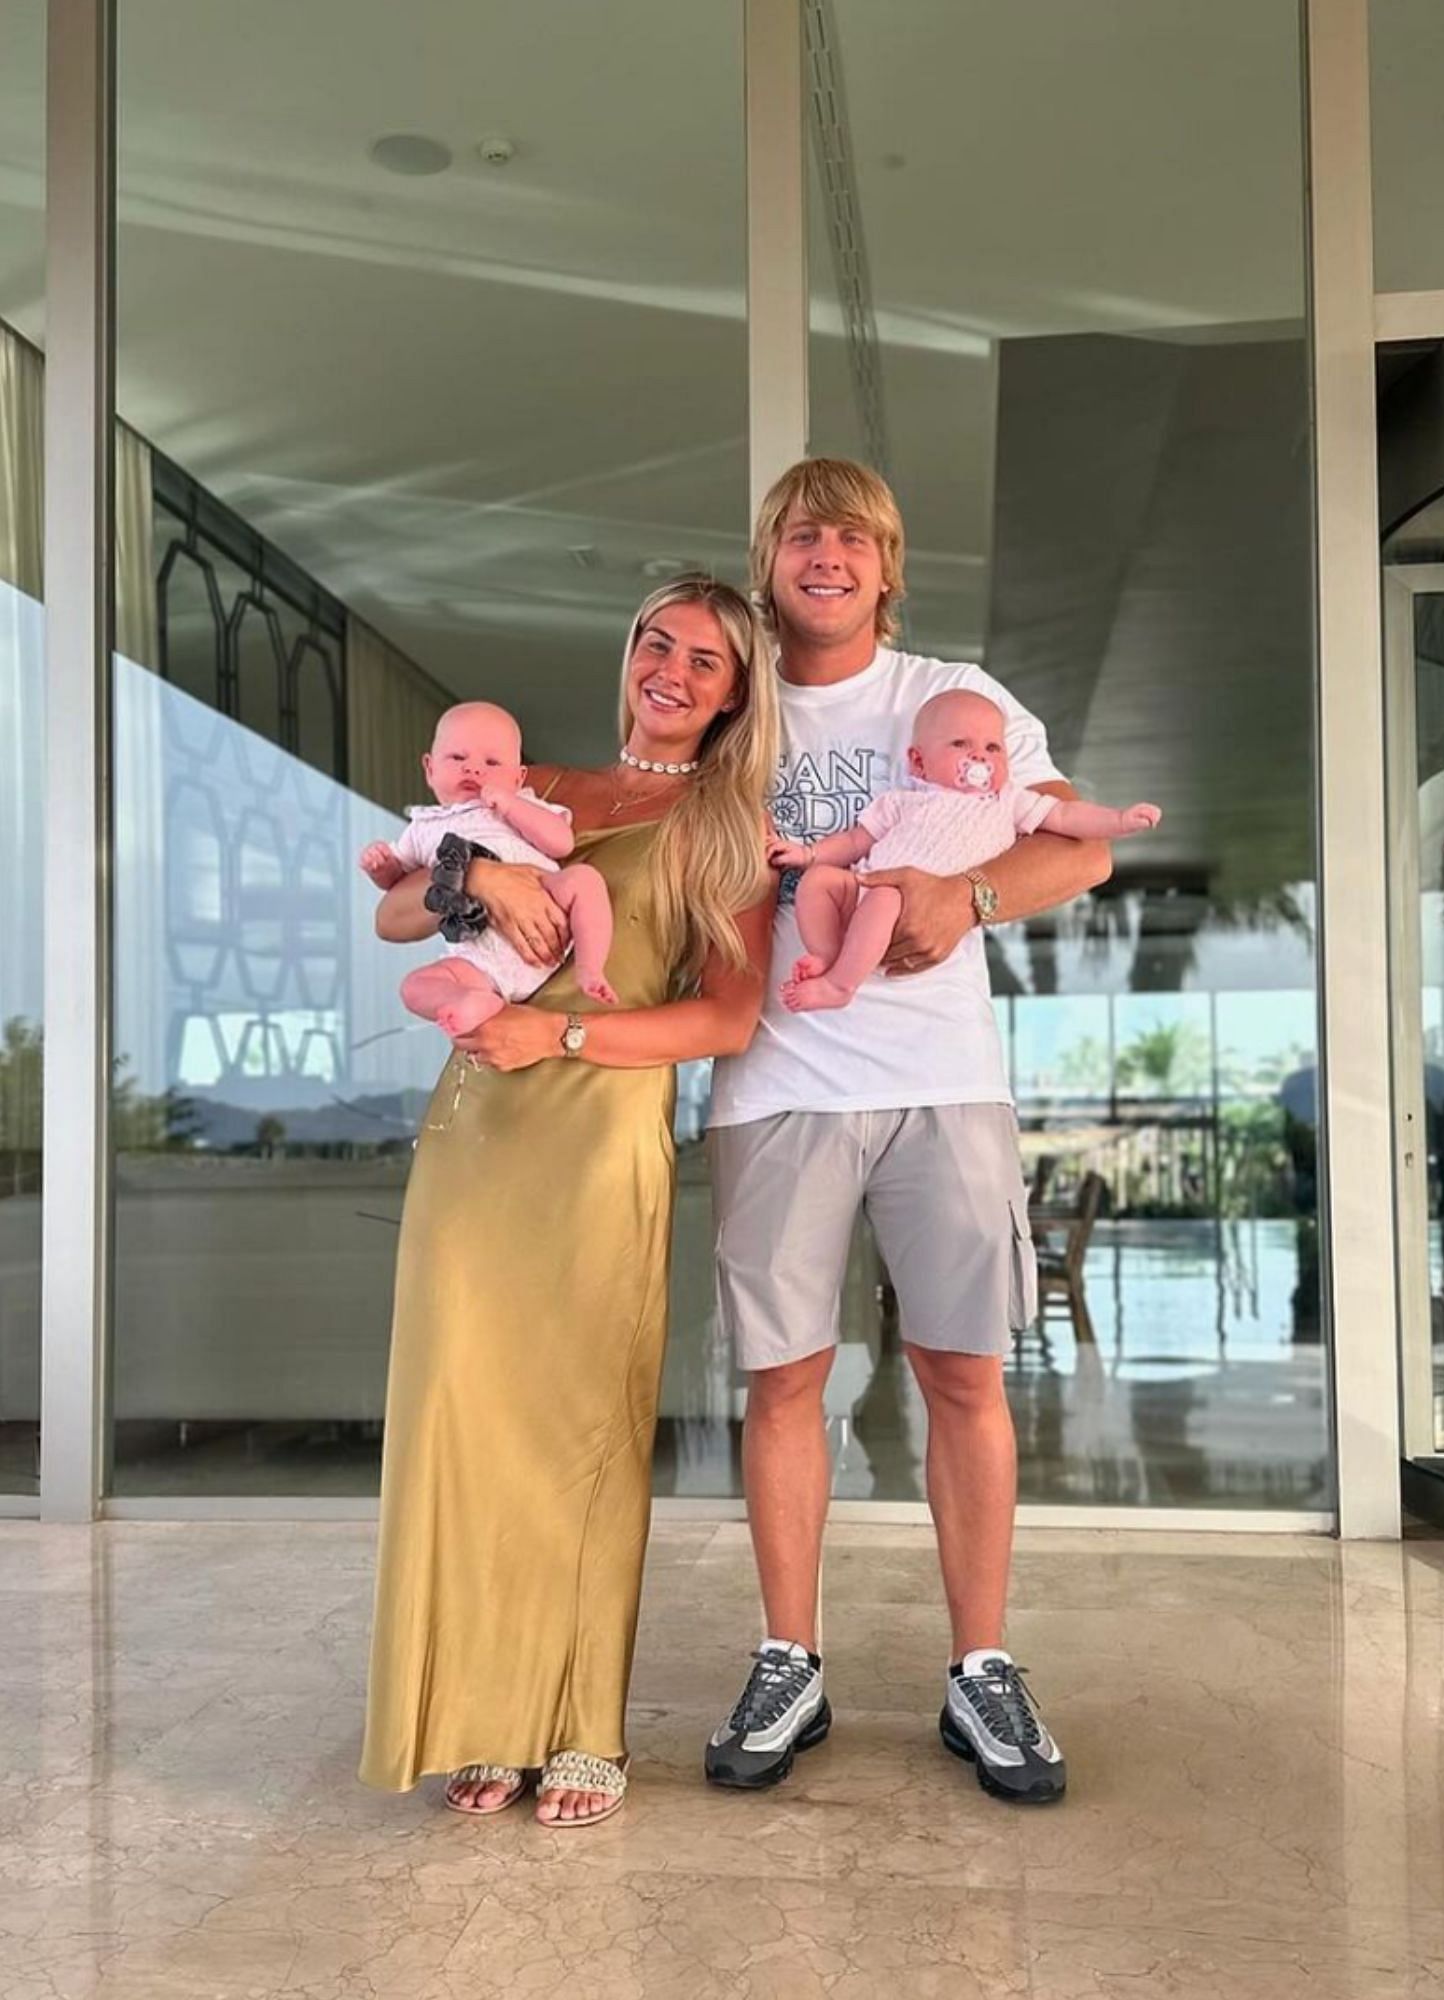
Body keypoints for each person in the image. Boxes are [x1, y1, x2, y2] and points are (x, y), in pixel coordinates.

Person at [704, 459, 1112, 1807]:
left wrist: (969, 897)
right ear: (770, 561)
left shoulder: (956, 697)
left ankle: (981, 1669)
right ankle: (789, 1659)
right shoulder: (731, 707)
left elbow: (1077, 848)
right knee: (782, 1383)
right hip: (772, 1087)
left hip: (944, 1082)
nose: (825, 555)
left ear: (888, 565)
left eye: (852, 538)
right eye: (801, 535)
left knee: (961, 1378)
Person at [359, 574, 778, 1827]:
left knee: (581, 1426)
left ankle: (580, 1722)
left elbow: (729, 1014)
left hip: (599, 1136)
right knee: (461, 1415)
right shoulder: (520, 788)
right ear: (629, 653)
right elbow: (392, 908)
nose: (674, 669)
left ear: (735, 694)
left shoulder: (725, 826)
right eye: (658, 641)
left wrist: (568, 1042)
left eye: (706, 659)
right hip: (473, 1139)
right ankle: (485, 1715)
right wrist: (478, 883)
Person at [771, 686, 1159, 1012]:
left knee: (885, 899)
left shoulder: (1009, 803)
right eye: (961, 744)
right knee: (818, 882)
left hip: (905, 901)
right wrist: (808, 856)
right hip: (862, 887)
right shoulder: (903, 801)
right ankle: (825, 953)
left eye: (994, 748)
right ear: (919, 762)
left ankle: (840, 985)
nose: (980, 757)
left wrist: (1119, 819)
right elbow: (855, 840)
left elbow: (1066, 816)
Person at [358, 700, 618, 1037]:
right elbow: (399, 887)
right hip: (478, 962)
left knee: (584, 880)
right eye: (457, 758)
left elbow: (561, 843)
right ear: (429, 768)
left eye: (492, 762)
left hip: (549, 922)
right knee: (414, 987)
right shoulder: (422, 827)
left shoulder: (525, 804)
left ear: (518, 776)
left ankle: (590, 967)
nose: (474, 770)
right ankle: (477, 1001)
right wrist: (382, 867)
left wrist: (513, 806)